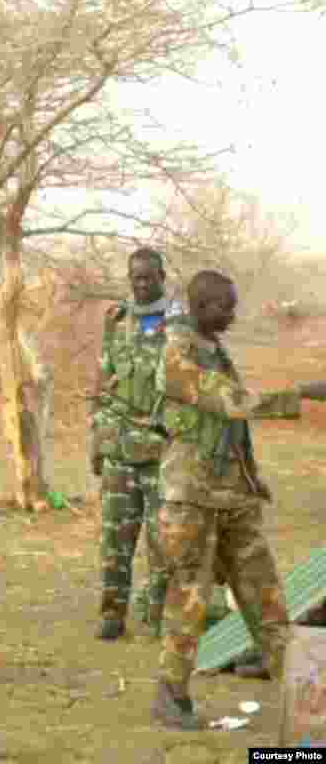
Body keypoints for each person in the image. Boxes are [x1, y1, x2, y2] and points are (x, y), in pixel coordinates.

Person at [150, 269, 326, 729]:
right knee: (190, 597)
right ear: (200, 306)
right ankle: (171, 697)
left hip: (233, 496)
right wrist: (301, 394)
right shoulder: (176, 353)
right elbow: (229, 402)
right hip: (192, 498)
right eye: (224, 306)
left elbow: (230, 431)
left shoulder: (212, 349)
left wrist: (252, 481)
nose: (231, 314)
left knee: (266, 596)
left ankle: (309, 699)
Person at [88, 247, 178, 641]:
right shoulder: (117, 321)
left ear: (161, 276)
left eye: (148, 277)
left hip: (160, 452)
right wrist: (95, 439)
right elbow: (103, 381)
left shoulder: (177, 325)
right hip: (118, 449)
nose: (141, 285)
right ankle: (112, 615)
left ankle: (157, 615)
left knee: (163, 542)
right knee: (114, 540)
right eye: (135, 278)